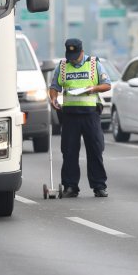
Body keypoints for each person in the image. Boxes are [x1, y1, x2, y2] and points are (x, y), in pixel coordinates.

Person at [48, 38, 112, 198]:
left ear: (82, 52)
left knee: (95, 150)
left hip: (90, 114)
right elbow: (54, 87)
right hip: (70, 115)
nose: (72, 59)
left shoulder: (94, 64)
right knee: (69, 152)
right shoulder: (62, 66)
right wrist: (54, 99)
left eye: (75, 55)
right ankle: (70, 186)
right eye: (70, 55)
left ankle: (99, 186)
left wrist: (94, 89)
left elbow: (107, 84)